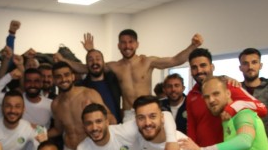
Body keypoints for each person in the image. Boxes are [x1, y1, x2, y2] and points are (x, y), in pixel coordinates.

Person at [74, 31, 203, 122]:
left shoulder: (147, 62)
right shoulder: (115, 66)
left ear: (137, 44)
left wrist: (193, 46)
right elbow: (89, 66)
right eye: (123, 42)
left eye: (130, 42)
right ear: (119, 46)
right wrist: (89, 52)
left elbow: (175, 60)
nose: (127, 46)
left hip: (148, 110)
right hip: (129, 115)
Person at [48, 62, 116, 150]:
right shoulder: (55, 104)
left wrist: (93, 110)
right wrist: (38, 133)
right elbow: (58, 130)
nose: (63, 79)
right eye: (58, 76)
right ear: (54, 80)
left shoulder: (89, 94)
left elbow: (112, 120)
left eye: (66, 75)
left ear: (73, 76)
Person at [78, 49, 122, 123]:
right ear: (86, 65)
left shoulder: (114, 80)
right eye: (90, 60)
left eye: (98, 59)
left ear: (104, 63)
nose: (94, 62)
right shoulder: (81, 87)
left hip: (117, 126)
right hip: (95, 127)